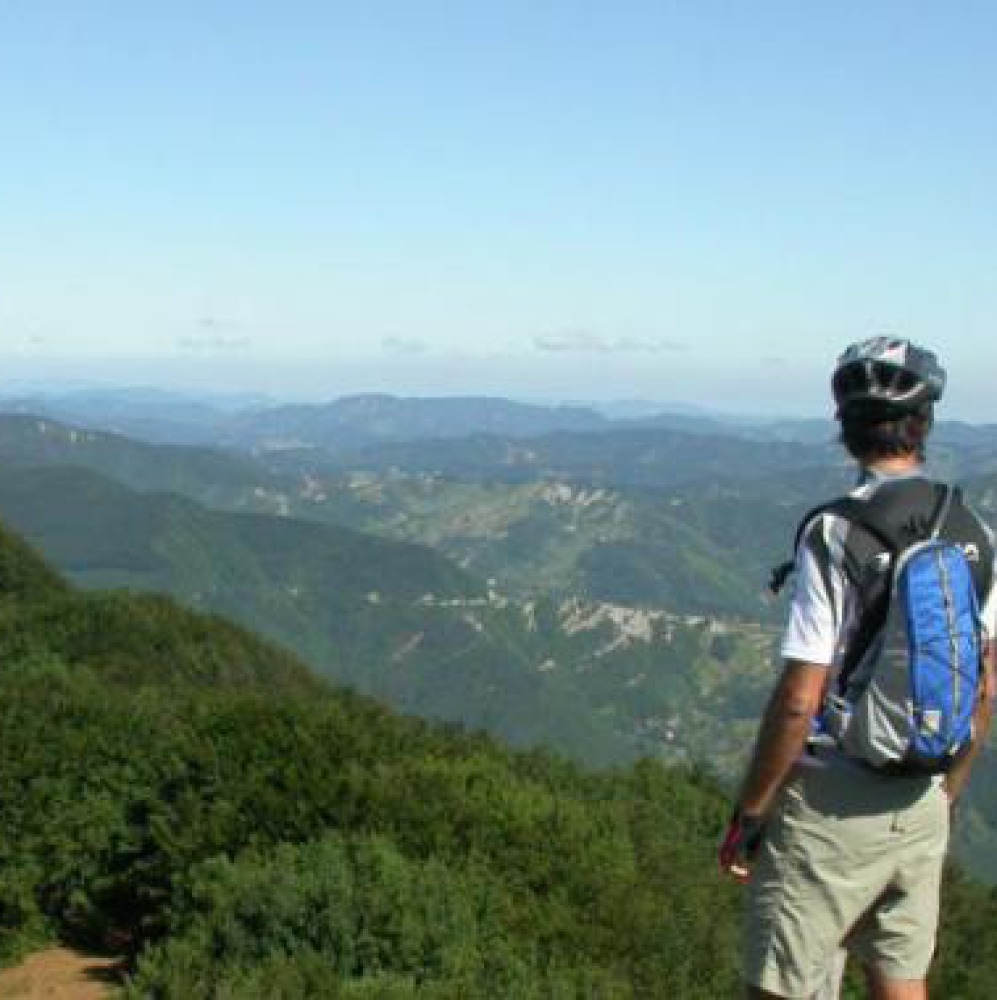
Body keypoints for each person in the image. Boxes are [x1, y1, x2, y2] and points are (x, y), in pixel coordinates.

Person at [718, 336, 997, 1000]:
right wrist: (945, 796)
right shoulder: (975, 533)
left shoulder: (836, 531)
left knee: (779, 986)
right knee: (900, 980)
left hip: (833, 805)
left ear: (844, 431)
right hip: (922, 800)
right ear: (923, 423)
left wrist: (750, 814)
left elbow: (798, 697)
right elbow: (983, 689)